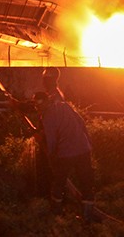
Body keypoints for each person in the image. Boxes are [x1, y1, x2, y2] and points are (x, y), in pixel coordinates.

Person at [33, 90, 97, 222]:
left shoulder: (48, 117)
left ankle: (56, 214)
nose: (38, 108)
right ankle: (87, 215)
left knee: (59, 181)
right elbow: (81, 123)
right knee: (86, 181)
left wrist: (50, 154)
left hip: (67, 152)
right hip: (84, 149)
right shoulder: (64, 105)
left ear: (45, 103)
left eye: (38, 105)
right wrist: (88, 143)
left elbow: (52, 140)